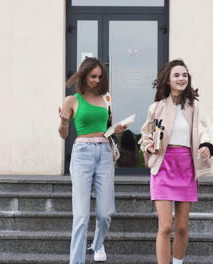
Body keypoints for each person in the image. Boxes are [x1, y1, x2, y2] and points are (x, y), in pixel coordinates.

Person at [138, 59, 213, 264]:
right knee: (165, 227)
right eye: (177, 75)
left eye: (184, 75)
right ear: (167, 80)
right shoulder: (156, 107)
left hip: (186, 168)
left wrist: (207, 147)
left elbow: (208, 132)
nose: (181, 78)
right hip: (163, 167)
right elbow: (144, 136)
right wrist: (149, 146)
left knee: (182, 227)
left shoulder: (195, 107)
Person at [58, 57, 126, 264]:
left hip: (104, 152)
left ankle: (97, 244)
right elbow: (63, 134)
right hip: (82, 153)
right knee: (81, 216)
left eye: (99, 76)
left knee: (105, 213)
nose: (96, 80)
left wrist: (117, 129)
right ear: (84, 75)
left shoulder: (106, 98)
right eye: (92, 76)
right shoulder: (72, 100)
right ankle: (76, 261)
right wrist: (63, 121)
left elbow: (108, 128)